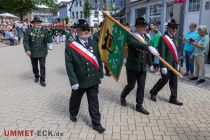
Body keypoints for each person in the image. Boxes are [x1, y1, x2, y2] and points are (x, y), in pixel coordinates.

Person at [65, 19, 105, 133]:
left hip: (93, 78)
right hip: (79, 80)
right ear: (77, 30)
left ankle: (96, 123)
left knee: (94, 102)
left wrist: (101, 73)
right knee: (75, 99)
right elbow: (69, 65)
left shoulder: (93, 43)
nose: (86, 31)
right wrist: (73, 81)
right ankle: (73, 113)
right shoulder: (71, 46)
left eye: (88, 29)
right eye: (83, 29)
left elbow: (98, 59)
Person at [120, 17, 159, 115]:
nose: (144, 28)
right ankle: (123, 96)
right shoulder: (131, 36)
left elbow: (148, 52)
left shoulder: (146, 37)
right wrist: (148, 47)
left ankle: (139, 105)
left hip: (142, 67)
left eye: (144, 26)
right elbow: (134, 44)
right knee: (131, 85)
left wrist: (150, 64)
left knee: (141, 86)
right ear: (137, 27)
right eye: (142, 26)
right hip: (132, 66)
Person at [150, 19, 183, 106]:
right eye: (173, 28)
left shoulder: (175, 37)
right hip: (166, 64)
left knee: (174, 81)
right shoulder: (163, 38)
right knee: (164, 80)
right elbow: (162, 54)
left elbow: (177, 52)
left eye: (175, 28)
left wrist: (178, 62)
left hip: (174, 64)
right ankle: (153, 92)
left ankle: (173, 98)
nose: (175, 30)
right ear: (168, 28)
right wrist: (163, 66)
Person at [23, 17, 48, 87]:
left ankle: (42, 80)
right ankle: (36, 75)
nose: (38, 24)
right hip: (32, 52)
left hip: (42, 52)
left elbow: (45, 42)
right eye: (36, 23)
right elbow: (25, 41)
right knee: (35, 66)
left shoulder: (44, 31)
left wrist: (46, 52)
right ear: (33, 24)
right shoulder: (29, 31)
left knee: (42, 66)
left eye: (39, 23)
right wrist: (27, 50)